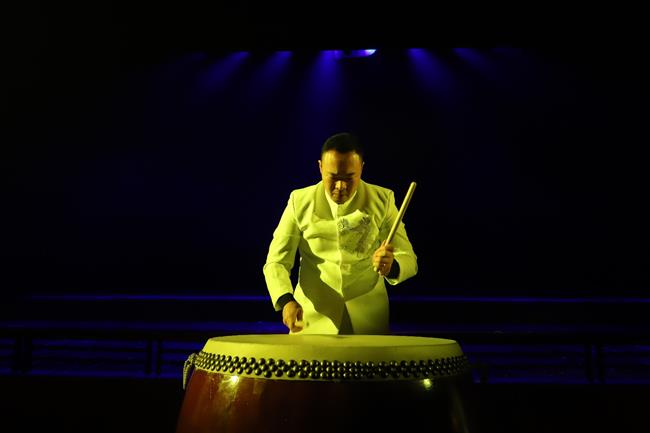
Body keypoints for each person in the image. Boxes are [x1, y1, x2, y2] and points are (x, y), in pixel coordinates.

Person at [263, 132, 418, 335]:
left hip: (369, 317)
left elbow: (409, 259)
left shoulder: (383, 199)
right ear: (320, 167)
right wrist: (285, 300)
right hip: (311, 317)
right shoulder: (299, 201)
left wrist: (392, 267)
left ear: (361, 168)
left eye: (349, 178)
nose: (340, 186)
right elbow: (276, 261)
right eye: (334, 177)